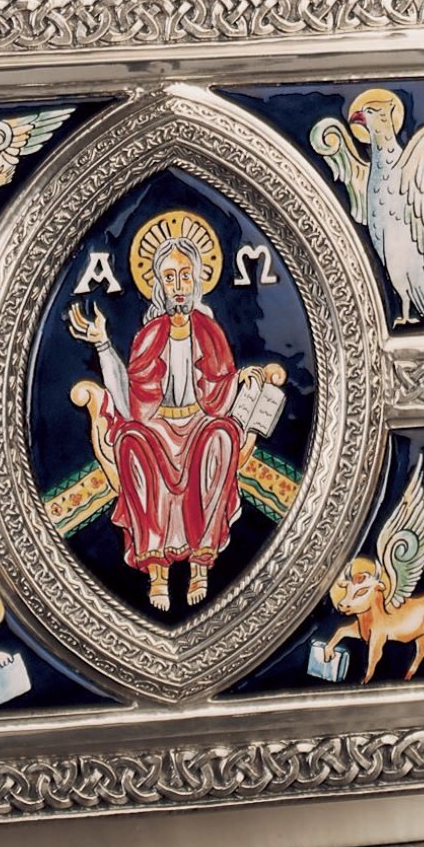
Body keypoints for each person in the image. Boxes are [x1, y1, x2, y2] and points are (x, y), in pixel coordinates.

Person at [65, 211, 273, 611]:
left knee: (221, 436)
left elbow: (219, 388)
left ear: (196, 280)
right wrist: (103, 344)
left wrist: (240, 381)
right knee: (130, 441)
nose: (178, 286)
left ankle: (201, 566)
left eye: (184, 276)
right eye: (169, 277)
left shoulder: (211, 332)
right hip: (157, 428)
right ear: (159, 283)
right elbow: (130, 400)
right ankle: (157, 571)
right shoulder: (150, 334)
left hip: (200, 423)